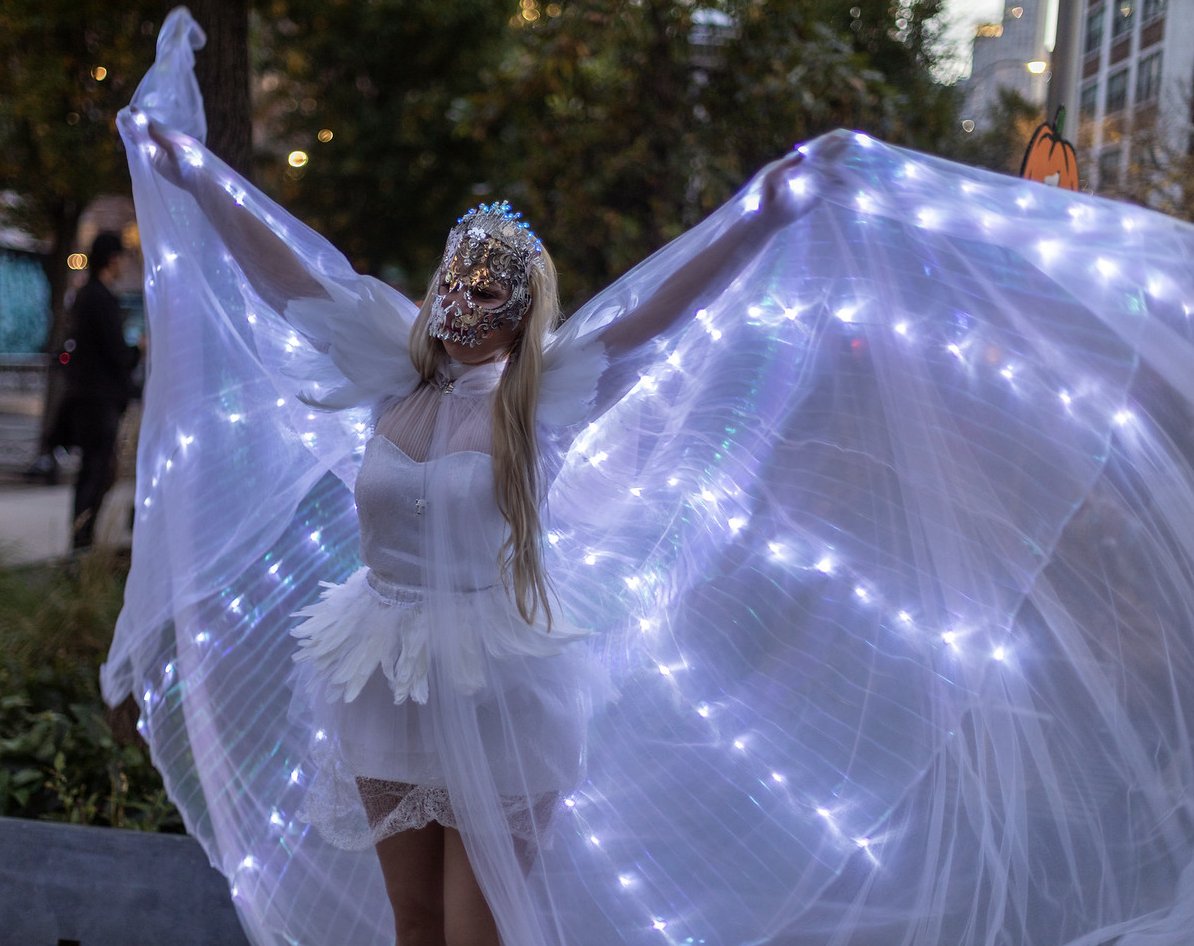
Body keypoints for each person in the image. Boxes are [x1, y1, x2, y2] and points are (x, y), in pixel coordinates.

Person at [103, 10, 1194, 946]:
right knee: (416, 930)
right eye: (455, 271)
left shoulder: (542, 397)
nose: (464, 294)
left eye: (492, 284)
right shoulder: (385, 363)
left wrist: (767, 208)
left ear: (520, 310)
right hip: (382, 672)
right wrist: (184, 167)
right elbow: (288, 265)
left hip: (500, 683)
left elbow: (667, 310)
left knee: (484, 929)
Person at [59, 231, 141, 549]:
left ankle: (82, 538)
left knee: (93, 470)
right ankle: (82, 541)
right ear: (112, 259)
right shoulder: (100, 298)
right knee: (97, 469)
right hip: (99, 400)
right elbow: (116, 353)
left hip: (88, 398)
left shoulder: (86, 295)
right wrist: (139, 350)